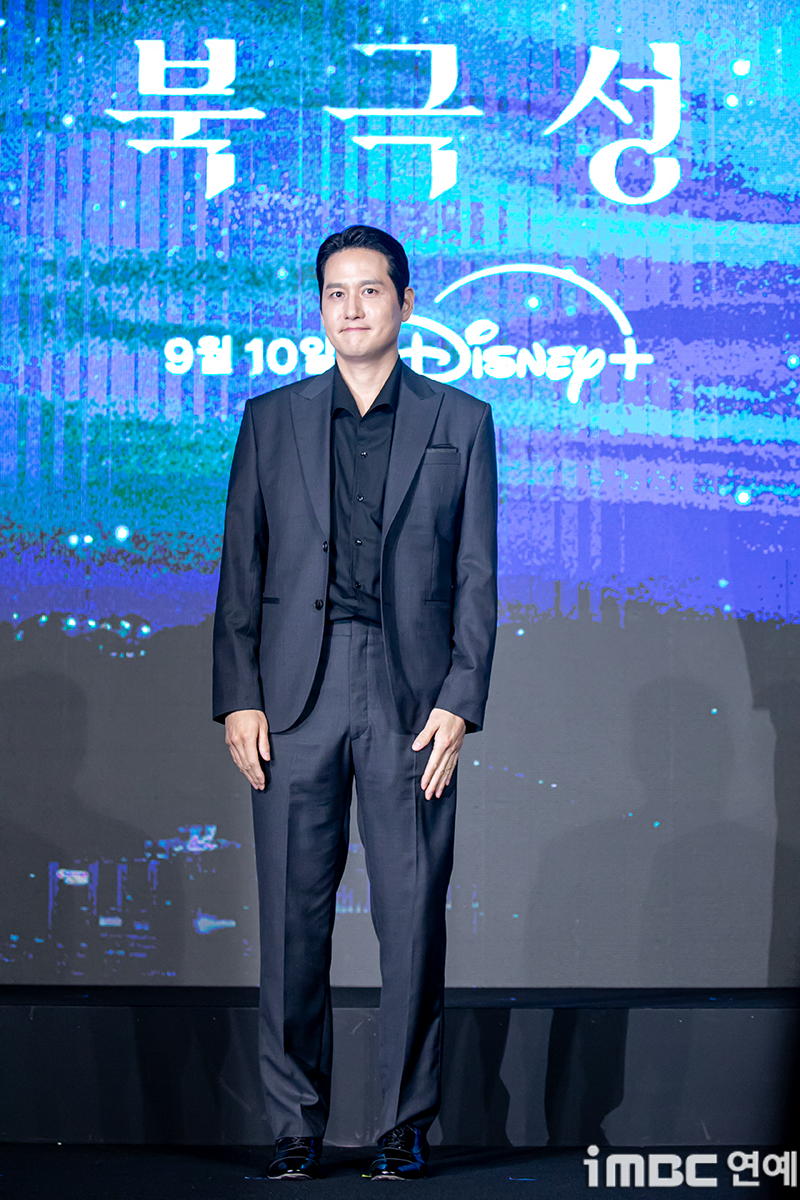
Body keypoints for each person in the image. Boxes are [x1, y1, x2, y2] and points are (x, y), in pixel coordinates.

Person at [213, 225, 497, 1180]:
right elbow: (242, 569)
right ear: (319, 307)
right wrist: (238, 696)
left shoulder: (461, 421)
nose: (350, 308)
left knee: (412, 918)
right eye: (335, 292)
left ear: (405, 304)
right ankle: (295, 1122)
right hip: (295, 692)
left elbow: (476, 576)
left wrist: (461, 699)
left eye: (369, 291)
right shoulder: (272, 419)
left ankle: (404, 1122)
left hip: (412, 697)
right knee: (292, 920)